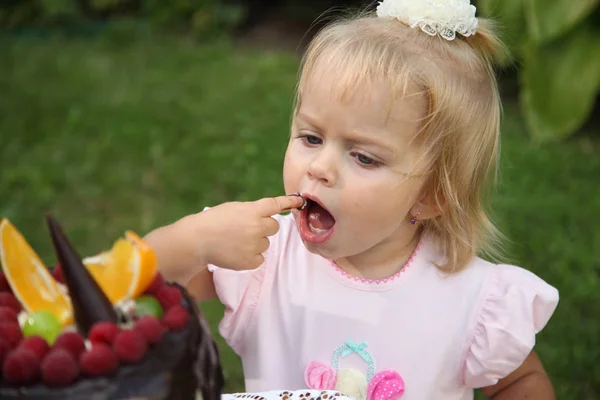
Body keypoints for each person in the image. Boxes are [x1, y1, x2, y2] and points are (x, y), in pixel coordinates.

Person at [144, 0, 559, 398]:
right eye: (311, 137)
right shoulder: (265, 258)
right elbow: (135, 287)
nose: (320, 167)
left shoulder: (471, 301)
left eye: (362, 156)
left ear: (431, 196)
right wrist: (195, 240)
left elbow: (516, 384)